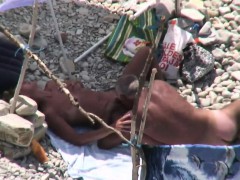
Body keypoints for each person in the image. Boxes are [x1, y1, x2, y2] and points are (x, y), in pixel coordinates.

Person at [1, 36, 240, 149]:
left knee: (144, 54)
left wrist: (76, 86)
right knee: (135, 95)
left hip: (121, 97)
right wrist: (112, 129)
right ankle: (154, 88)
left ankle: (160, 78)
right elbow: (78, 139)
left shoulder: (54, 86)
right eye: (22, 87)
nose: (28, 82)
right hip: (114, 118)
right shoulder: (51, 112)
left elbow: (86, 91)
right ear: (25, 101)